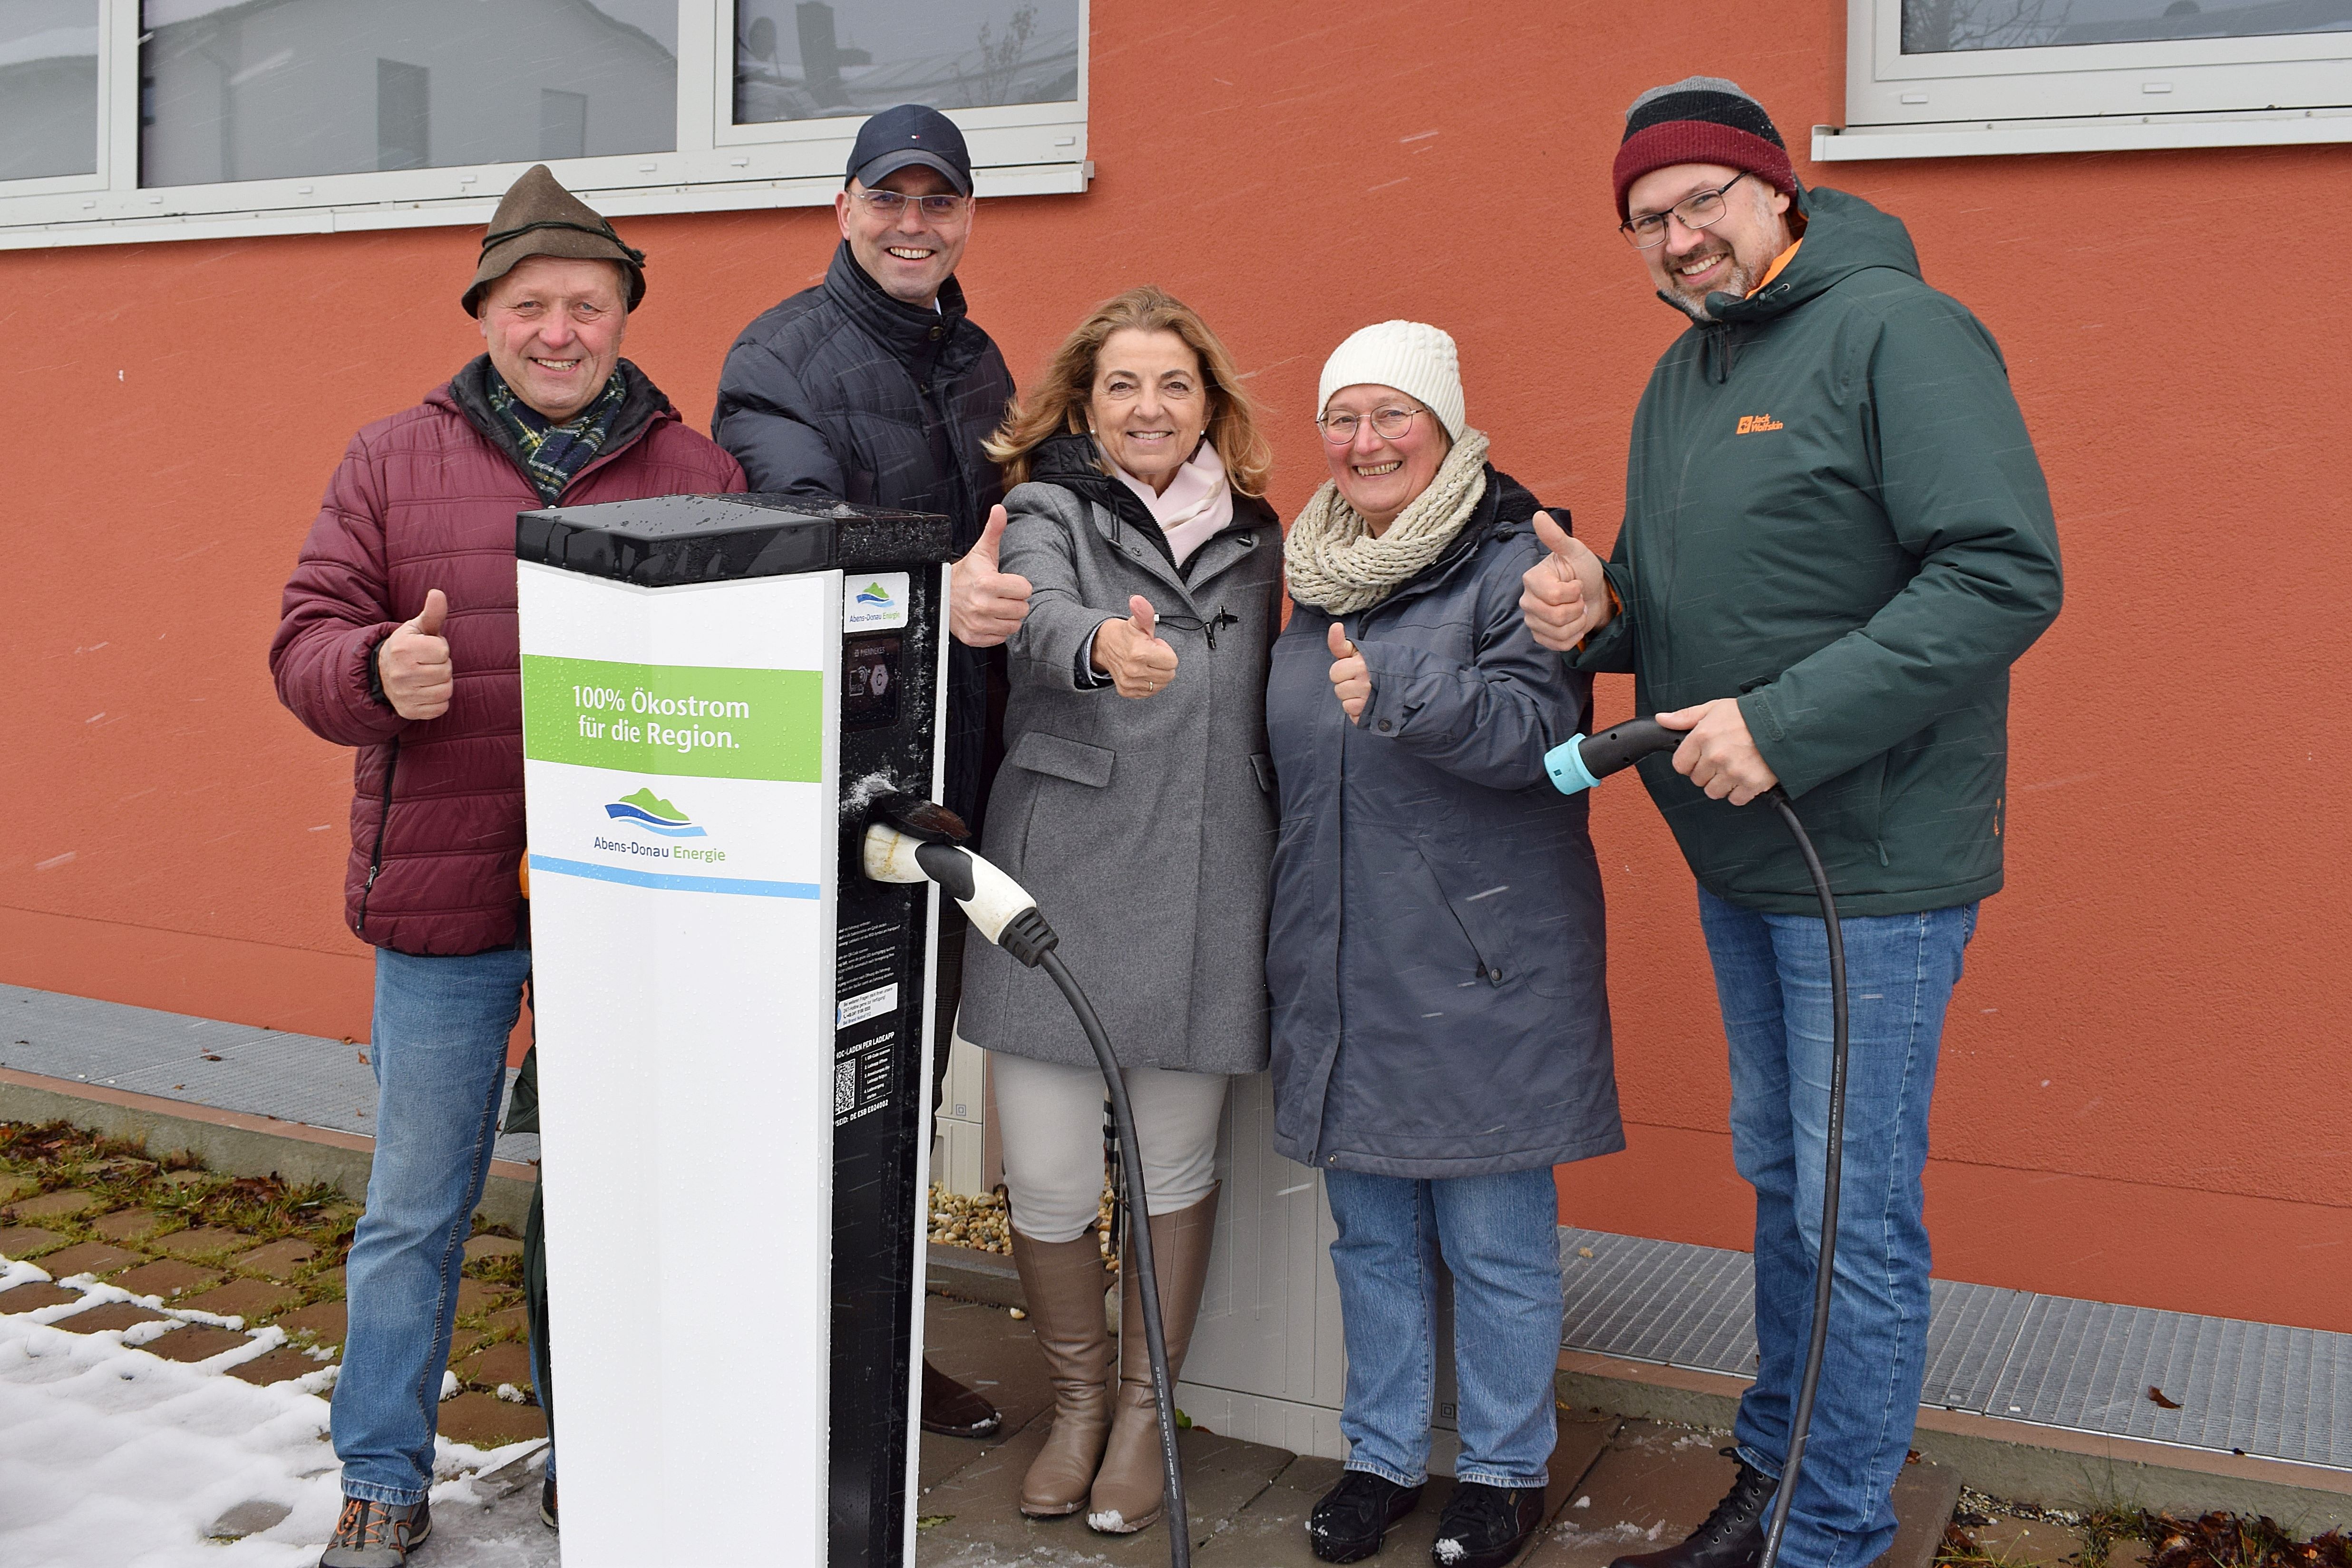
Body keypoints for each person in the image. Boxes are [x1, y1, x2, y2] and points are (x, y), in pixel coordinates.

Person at [1521, 78, 2063, 1568]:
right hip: (1746, 855)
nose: (1678, 237)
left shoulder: (1898, 329)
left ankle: (1825, 1537)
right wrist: (1597, 610)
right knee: (1788, 1184)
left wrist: (1781, 724)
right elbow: (1680, 590)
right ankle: (1775, 1482)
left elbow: (2000, 574)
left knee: (1847, 1213)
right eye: (1646, 218)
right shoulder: (1684, 374)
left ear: (1776, 191)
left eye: (1702, 199)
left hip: (1870, 859)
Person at [270, 166, 744, 1566]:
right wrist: (372, 667)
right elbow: (302, 638)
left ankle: (591, 1447)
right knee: (417, 1200)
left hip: (633, 899)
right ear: (484, 314)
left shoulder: (696, 471)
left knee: (611, 1194)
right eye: (529, 305)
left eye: (585, 305)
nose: (558, 330)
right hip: (442, 892)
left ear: (622, 316)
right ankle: (380, 1470)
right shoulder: (388, 460)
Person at [1264, 321, 1622, 1568]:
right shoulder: (1308, 571)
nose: (1364, 443)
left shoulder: (1514, 560)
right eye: (1341, 418)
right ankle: (1378, 1457)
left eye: (1390, 415)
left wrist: (1407, 697)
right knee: (1369, 1237)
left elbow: (1539, 736)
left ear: (1445, 425)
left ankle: (1505, 1470)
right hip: (1344, 957)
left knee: (1495, 1242)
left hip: (1482, 965)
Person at [711, 103, 1024, 1440]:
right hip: (833, 799)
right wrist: (925, 593)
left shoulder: (980, 357)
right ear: (842, 210)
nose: (913, 224)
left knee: (900, 1089)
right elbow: (797, 543)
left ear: (964, 216)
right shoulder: (778, 357)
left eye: (937, 202)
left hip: (956, 785)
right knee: (813, 1087)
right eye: (887, 200)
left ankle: (882, 1365)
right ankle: (784, 1378)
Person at [955, 285, 1282, 1537]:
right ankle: (1078, 1405)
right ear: (1083, 405)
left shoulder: (1259, 538)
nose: (1149, 407)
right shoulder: (1044, 509)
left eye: (1173, 385)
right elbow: (1033, 613)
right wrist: (1101, 645)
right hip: (1063, 884)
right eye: (1123, 386)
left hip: (1210, 879)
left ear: (1208, 405)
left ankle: (1146, 1417)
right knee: (1043, 1177)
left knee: (1171, 1172)